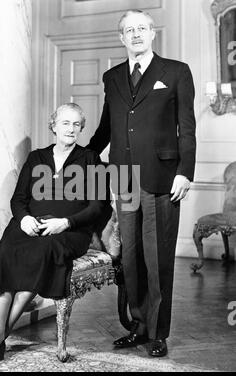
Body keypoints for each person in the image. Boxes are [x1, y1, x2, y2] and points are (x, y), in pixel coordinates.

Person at [88, 9, 196, 357]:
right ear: (122, 38)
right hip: (124, 178)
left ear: (152, 34)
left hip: (163, 177)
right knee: (131, 257)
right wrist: (79, 155)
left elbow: (187, 128)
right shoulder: (112, 76)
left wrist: (185, 171)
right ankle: (137, 325)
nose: (135, 34)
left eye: (141, 29)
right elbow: (107, 127)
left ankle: (158, 332)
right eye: (128, 30)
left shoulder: (176, 72)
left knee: (158, 257)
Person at [0, 103, 105, 370]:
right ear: (53, 125)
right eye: (65, 123)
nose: (71, 129)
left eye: (77, 124)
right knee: (0, 259)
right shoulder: (36, 157)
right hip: (29, 227)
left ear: (81, 129)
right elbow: (18, 199)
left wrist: (65, 222)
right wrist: (24, 219)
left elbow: (98, 205)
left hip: (68, 232)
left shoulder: (91, 158)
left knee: (39, 254)